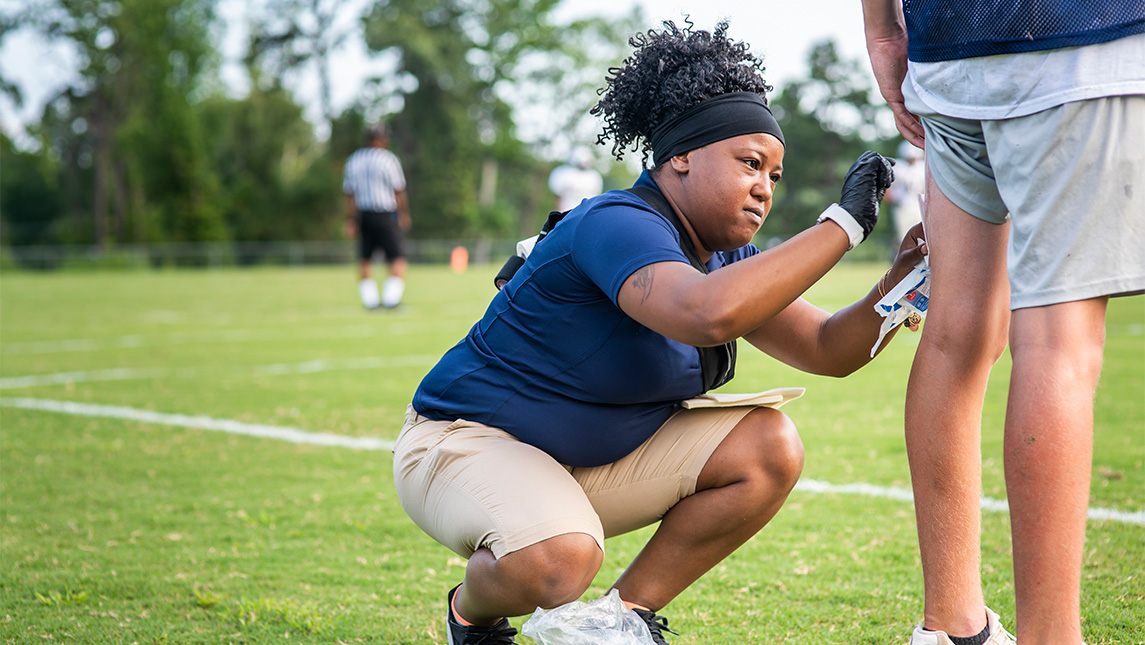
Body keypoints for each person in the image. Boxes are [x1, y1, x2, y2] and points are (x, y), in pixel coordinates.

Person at [393, 20, 918, 645]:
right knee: (559, 559)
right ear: (681, 158)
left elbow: (828, 349)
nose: (764, 189)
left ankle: (616, 622)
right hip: (463, 443)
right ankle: (470, 614)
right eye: (751, 163)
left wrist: (899, 283)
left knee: (768, 446)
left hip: (577, 462)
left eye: (774, 177)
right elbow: (704, 313)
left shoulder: (725, 261)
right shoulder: (615, 221)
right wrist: (843, 225)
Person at [861, 1, 1145, 644]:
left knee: (956, 333)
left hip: (946, 52)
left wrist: (881, 29)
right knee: (1056, 344)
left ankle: (952, 627)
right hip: (1081, 40)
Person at [343, 123, 411, 309]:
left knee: (365, 259)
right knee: (397, 258)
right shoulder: (388, 159)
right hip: (386, 214)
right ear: (381, 139)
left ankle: (370, 302)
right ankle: (391, 300)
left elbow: (349, 194)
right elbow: (399, 190)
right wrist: (403, 214)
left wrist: (350, 219)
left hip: (363, 214)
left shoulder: (354, 160)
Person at [885, 139, 925, 244]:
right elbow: (887, 187)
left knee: (921, 236)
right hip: (902, 206)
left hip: (918, 206)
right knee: (903, 237)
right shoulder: (897, 167)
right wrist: (892, 200)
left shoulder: (922, 167)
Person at [548, 146, 604, 213]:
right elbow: (557, 197)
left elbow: (595, 198)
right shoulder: (563, 173)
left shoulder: (594, 177)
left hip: (586, 213)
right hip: (566, 212)